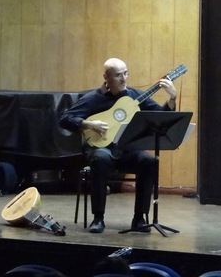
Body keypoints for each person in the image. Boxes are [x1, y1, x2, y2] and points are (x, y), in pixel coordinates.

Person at [60, 58, 177, 233]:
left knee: (149, 161)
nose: (124, 79)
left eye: (125, 73)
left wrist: (172, 98)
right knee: (100, 158)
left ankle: (139, 219)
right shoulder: (93, 98)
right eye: (118, 75)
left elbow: (160, 117)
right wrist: (88, 124)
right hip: (101, 149)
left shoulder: (136, 96)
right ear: (106, 77)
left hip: (127, 151)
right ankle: (98, 218)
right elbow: (65, 119)